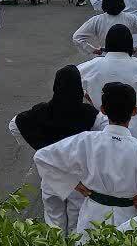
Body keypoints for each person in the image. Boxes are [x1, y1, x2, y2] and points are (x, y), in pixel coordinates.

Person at [32, 82, 137, 235]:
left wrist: (73, 183)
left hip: (91, 215)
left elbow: (42, 157)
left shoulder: (85, 141)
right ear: (134, 111)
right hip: (127, 220)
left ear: (103, 110)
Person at [9, 66, 106, 236]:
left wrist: (41, 148)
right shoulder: (89, 114)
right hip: (80, 179)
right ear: (79, 88)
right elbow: (104, 135)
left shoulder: (42, 111)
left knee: (53, 223)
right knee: (77, 225)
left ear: (55, 86)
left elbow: (14, 125)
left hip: (51, 176)